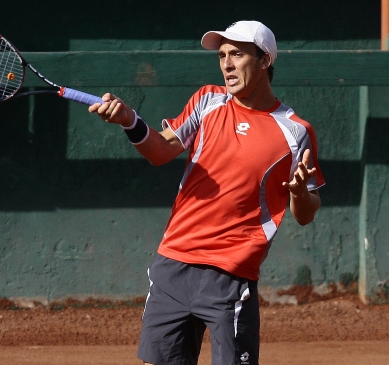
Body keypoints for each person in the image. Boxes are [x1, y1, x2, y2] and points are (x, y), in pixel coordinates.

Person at [89, 20, 325, 365]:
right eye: (222, 55)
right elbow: (160, 151)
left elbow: (305, 214)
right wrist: (129, 120)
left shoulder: (295, 131)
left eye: (237, 54)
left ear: (264, 61)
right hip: (173, 265)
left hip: (230, 276)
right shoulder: (207, 101)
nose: (226, 63)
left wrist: (299, 194)